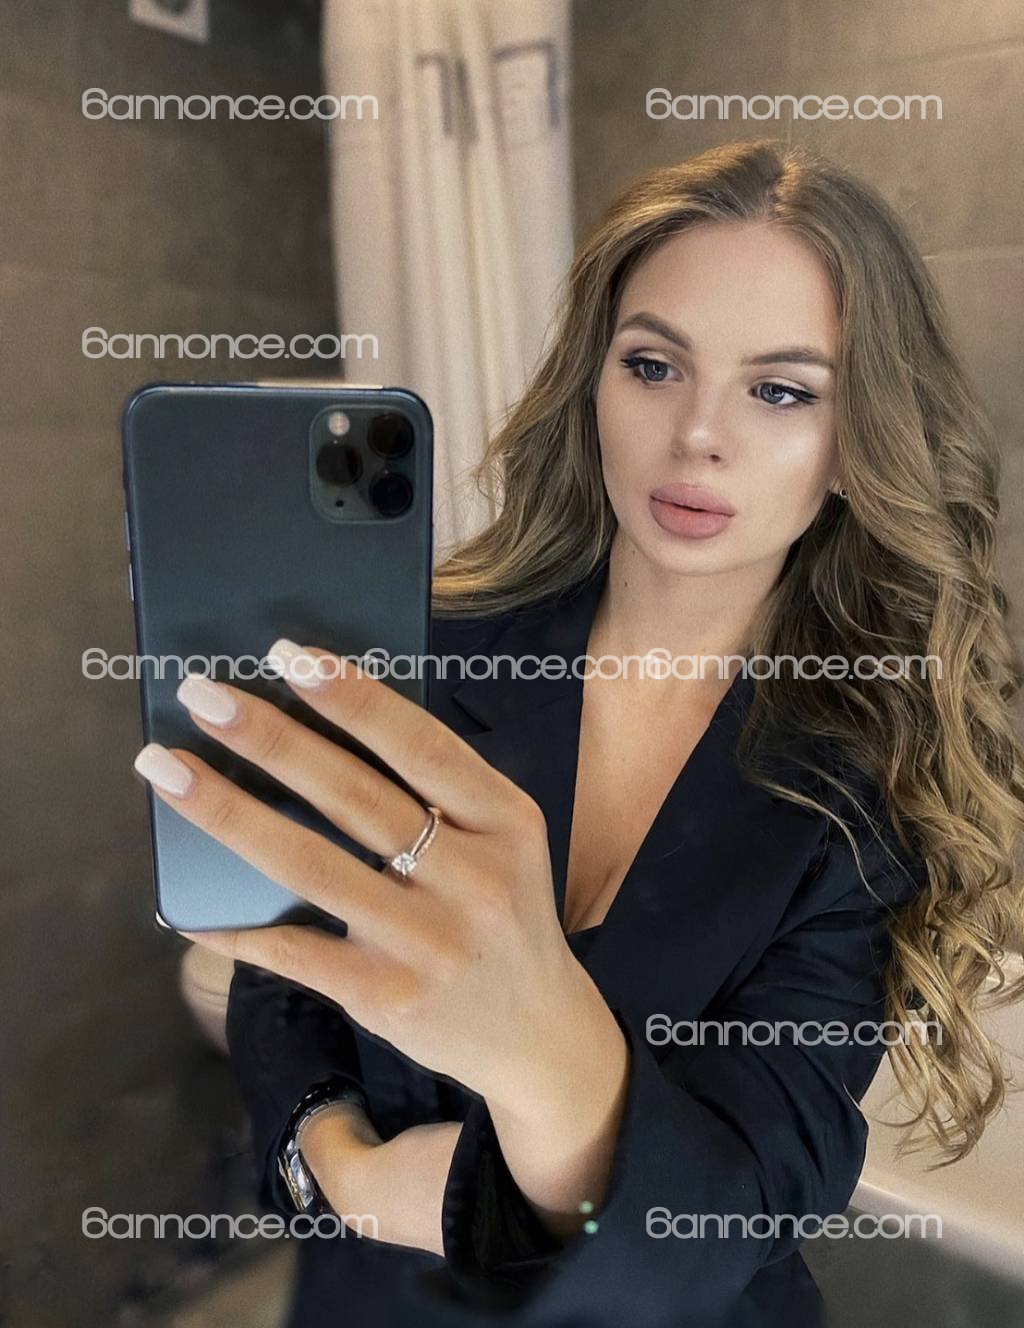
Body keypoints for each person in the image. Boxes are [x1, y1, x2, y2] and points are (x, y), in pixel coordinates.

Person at [135, 140, 1024, 1327]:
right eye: (653, 364)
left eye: (779, 390)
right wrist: (332, 1161)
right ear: (592, 384)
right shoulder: (425, 654)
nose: (696, 433)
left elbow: (748, 1197)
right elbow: (286, 967)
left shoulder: (867, 788)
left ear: (856, 442)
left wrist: (536, 1060)